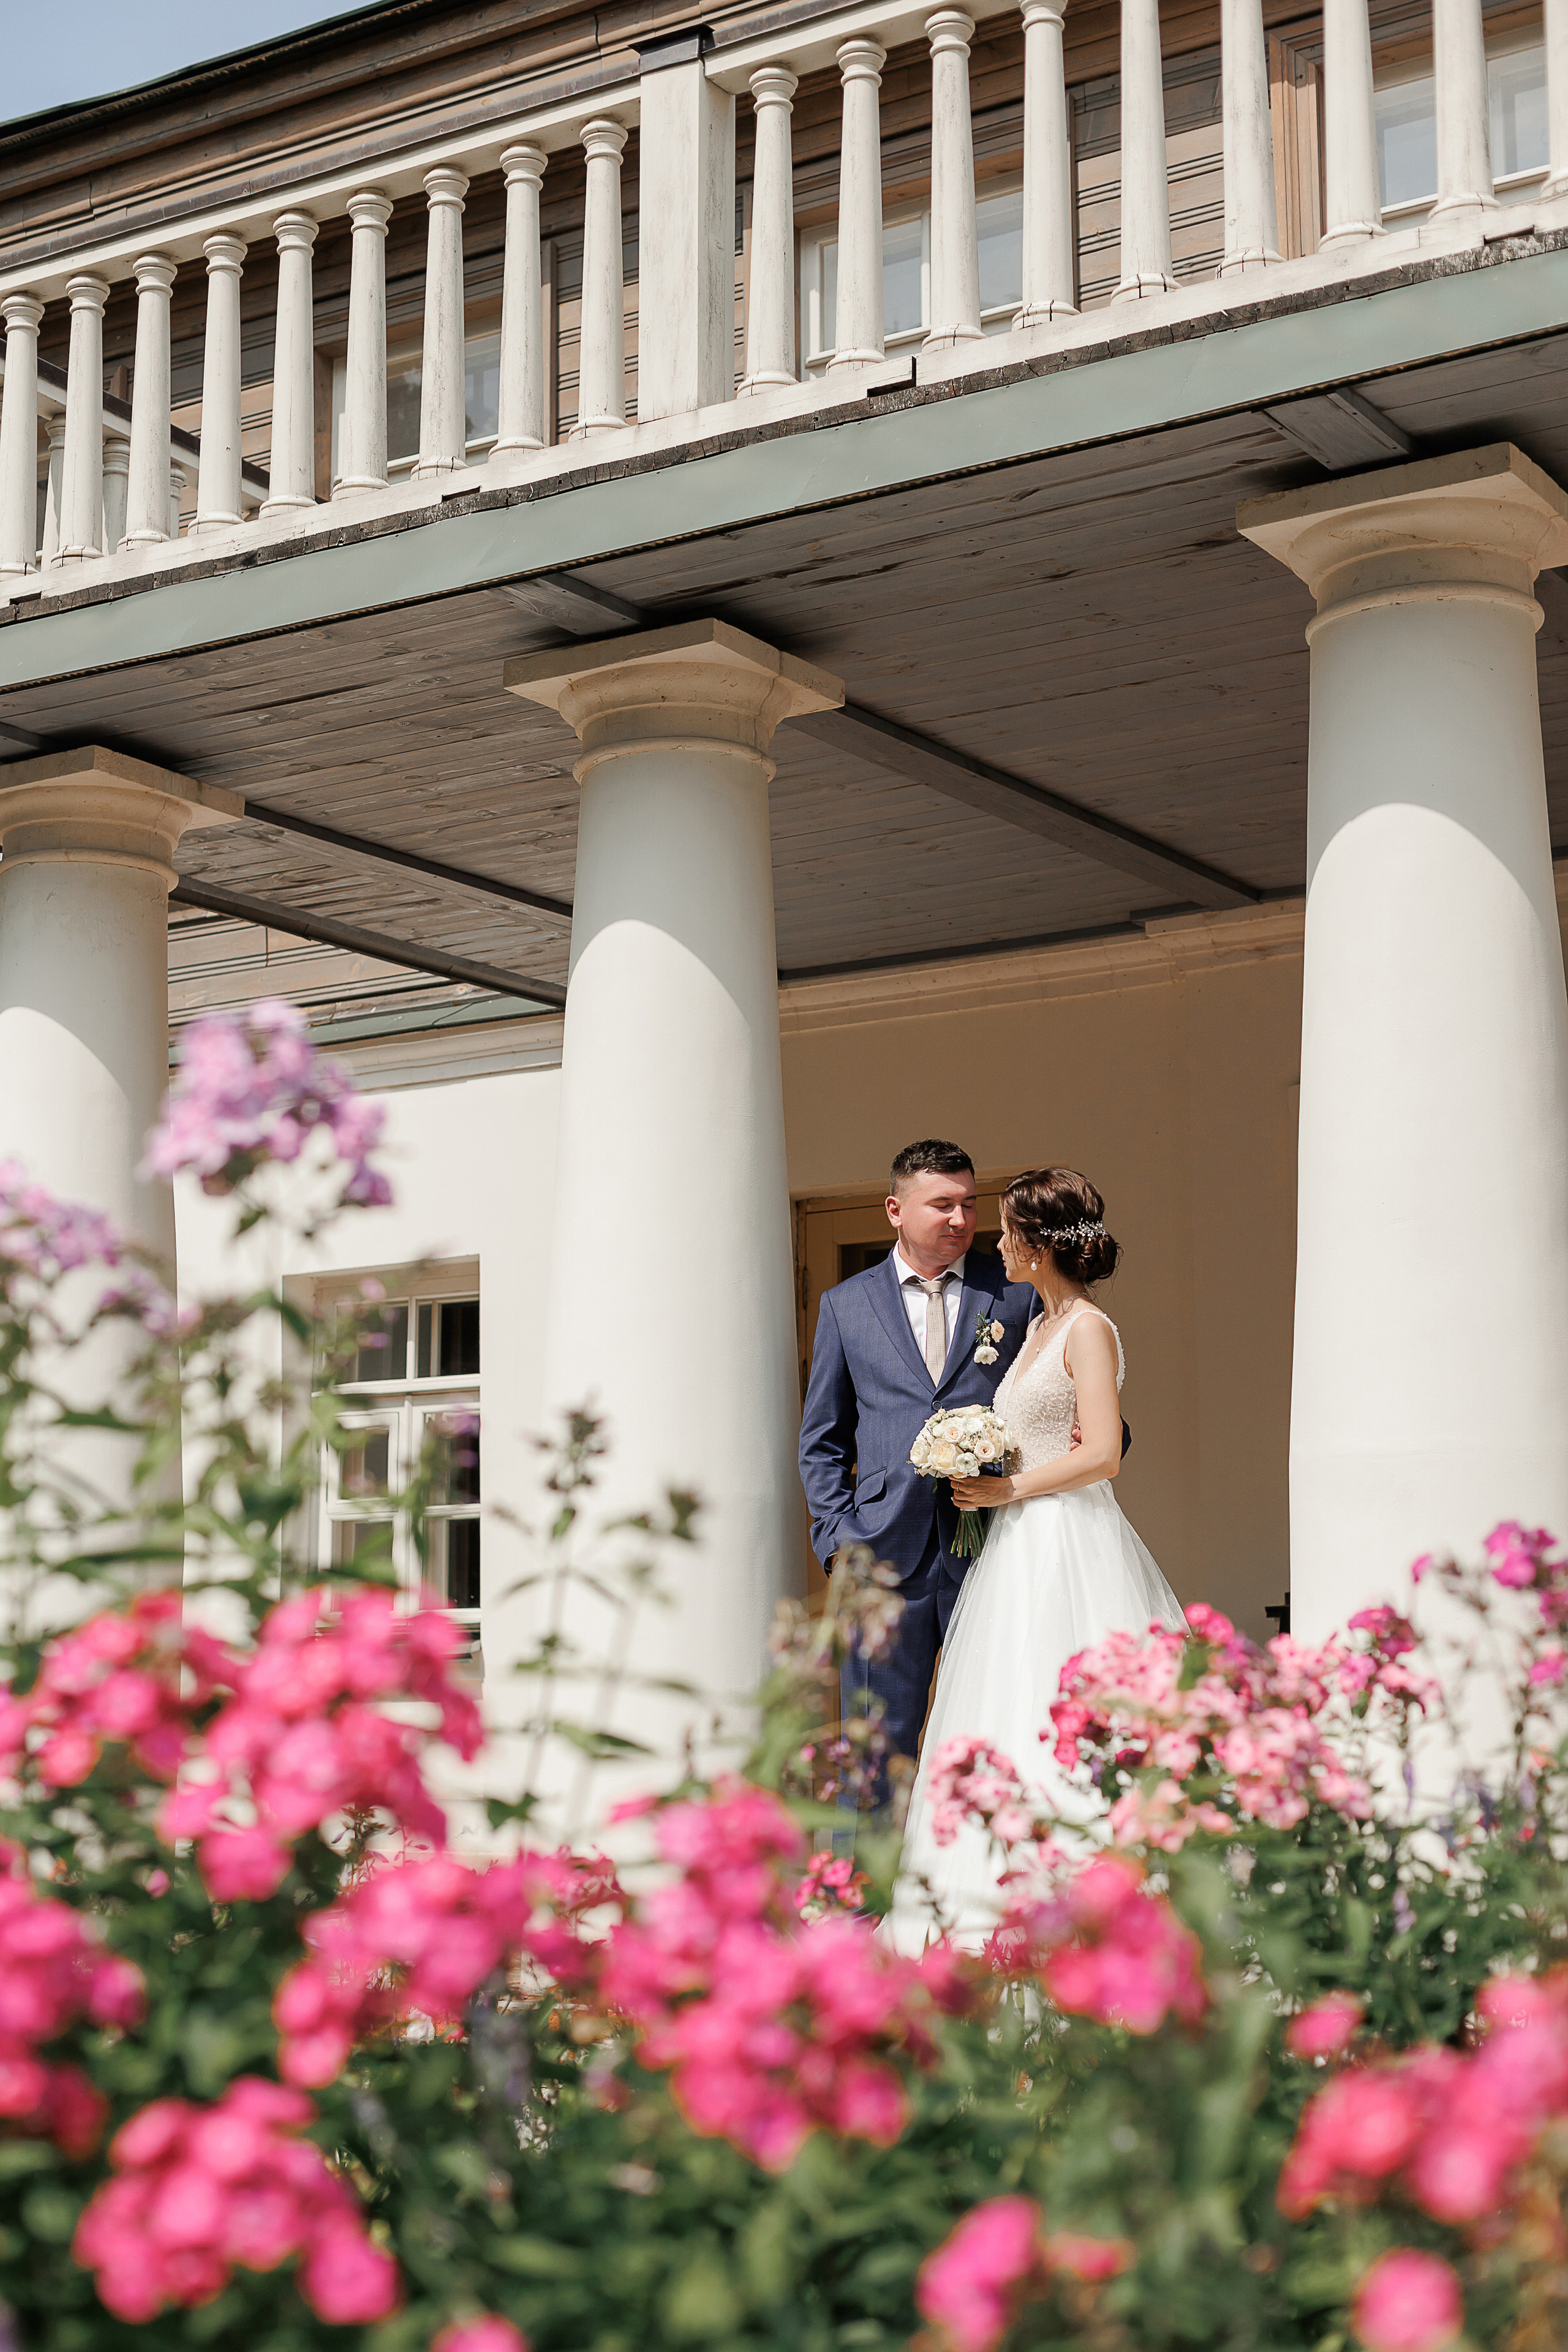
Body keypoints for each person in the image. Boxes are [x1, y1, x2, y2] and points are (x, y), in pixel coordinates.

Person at [889, 1166, 1186, 1948]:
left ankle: (1095, 1915)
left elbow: (1104, 1455)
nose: (996, 1241)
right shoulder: (1036, 1326)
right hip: (1018, 1543)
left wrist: (1009, 1486)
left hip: (1066, 1538)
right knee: (1008, 1705)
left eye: (1008, 1229)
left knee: (1067, 1703)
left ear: (1036, 1243)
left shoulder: (1087, 1327)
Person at [798, 1140, 1037, 1782]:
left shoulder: (1014, 1295)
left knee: (991, 1741)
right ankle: (861, 1885)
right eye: (942, 1205)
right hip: (879, 1559)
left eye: (969, 1204)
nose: (961, 1219)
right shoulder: (846, 1306)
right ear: (895, 1210)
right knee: (874, 1752)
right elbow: (822, 1437)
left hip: (992, 1550)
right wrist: (836, 1540)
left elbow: (1052, 1401)